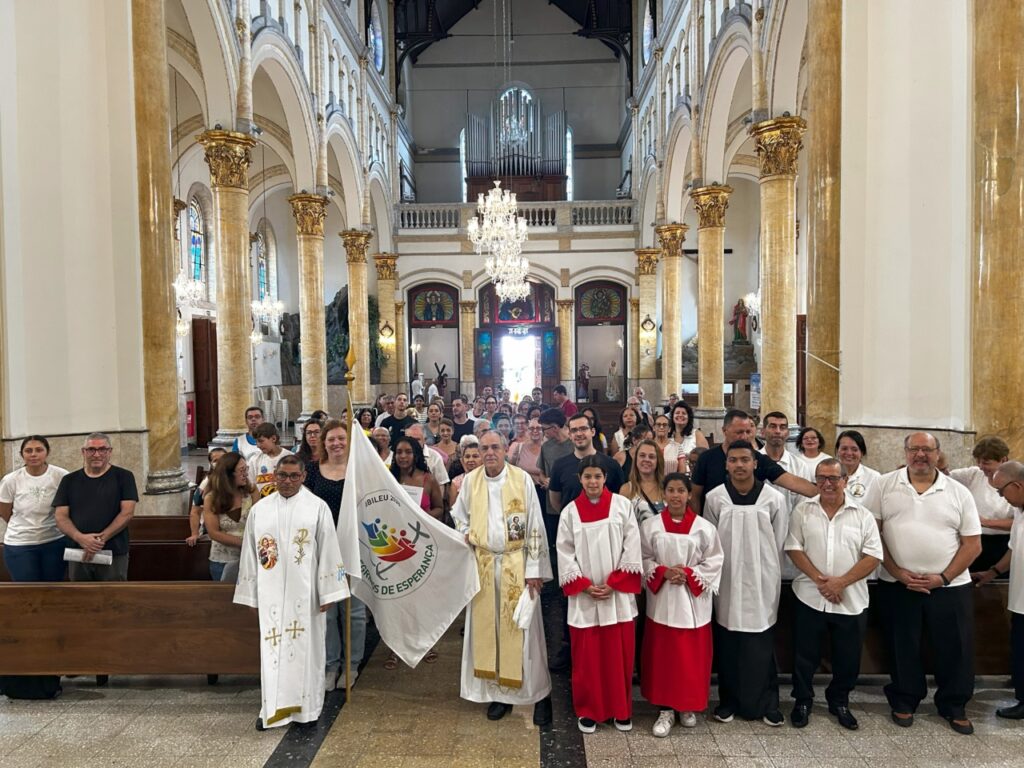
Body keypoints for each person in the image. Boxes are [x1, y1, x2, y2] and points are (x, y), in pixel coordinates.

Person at [863, 432, 981, 735]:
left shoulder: (958, 492)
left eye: (926, 450)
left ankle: (954, 705)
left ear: (937, 454)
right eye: (914, 449)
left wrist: (943, 577)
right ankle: (904, 699)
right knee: (903, 646)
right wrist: (898, 571)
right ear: (904, 452)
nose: (920, 455)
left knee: (955, 647)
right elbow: (872, 534)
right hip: (898, 584)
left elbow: (972, 545)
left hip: (950, 587)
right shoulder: (884, 485)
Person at [234, 455, 348, 730]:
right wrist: (251, 594)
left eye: (293, 476)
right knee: (271, 651)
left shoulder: (316, 508)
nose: (287, 481)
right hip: (271, 593)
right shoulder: (261, 510)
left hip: (306, 595)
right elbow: (250, 553)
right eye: (282, 475)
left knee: (307, 651)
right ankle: (271, 708)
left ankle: (307, 710)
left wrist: (329, 591)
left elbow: (329, 550)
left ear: (304, 476)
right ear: (274, 475)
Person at [451, 431, 553, 726]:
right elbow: (460, 516)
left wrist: (534, 570)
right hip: (483, 564)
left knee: (523, 631)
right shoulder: (471, 481)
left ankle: (536, 692)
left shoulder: (521, 479)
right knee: (489, 629)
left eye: (495, 447)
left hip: (516, 565)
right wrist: (466, 533)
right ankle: (497, 694)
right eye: (484, 448)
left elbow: (535, 526)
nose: (490, 453)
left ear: (506, 449)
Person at [785, 459, 883, 730]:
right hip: (810, 595)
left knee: (848, 656)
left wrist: (841, 583)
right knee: (805, 655)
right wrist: (823, 582)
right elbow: (794, 548)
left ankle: (839, 700)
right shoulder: (803, 510)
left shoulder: (862, 515)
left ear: (845, 481)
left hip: (850, 599)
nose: (827, 484)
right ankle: (802, 700)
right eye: (821, 478)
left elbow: (874, 555)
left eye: (833, 478)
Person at [703, 440, 788, 726]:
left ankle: (767, 703)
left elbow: (779, 540)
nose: (739, 465)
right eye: (733, 460)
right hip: (726, 577)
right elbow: (709, 541)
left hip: (762, 576)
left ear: (755, 463)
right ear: (726, 464)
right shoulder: (715, 498)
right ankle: (729, 701)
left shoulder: (773, 499)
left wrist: (761, 566)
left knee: (760, 641)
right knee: (729, 641)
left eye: (745, 460)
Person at [557, 455, 642, 733]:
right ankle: (589, 710)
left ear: (605, 477)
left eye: (597, 476)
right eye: (587, 477)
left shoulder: (622, 506)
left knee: (619, 657)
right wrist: (582, 584)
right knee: (587, 659)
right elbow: (564, 551)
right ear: (579, 479)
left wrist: (615, 582)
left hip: (616, 596)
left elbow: (632, 545)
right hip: (585, 597)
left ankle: (621, 709)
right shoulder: (570, 512)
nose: (592, 482)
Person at [640, 473, 723, 736]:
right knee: (664, 658)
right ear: (663, 494)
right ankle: (665, 709)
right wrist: (662, 571)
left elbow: (715, 561)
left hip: (692, 604)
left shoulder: (704, 528)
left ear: (689, 495)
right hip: (663, 601)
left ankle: (686, 706)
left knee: (689, 660)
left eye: (681, 491)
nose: (676, 496)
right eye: (671, 490)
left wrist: (688, 574)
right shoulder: (651, 526)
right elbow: (641, 557)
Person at [303, 420, 365, 691]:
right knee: (327, 610)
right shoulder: (313, 471)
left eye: (342, 438)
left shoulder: (359, 470)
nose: (337, 443)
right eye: (331, 439)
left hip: (354, 546)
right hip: (323, 549)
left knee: (354, 611)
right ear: (322, 443)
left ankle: (352, 664)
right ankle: (331, 663)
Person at [971, 460, 1024, 719]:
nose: (1001, 496)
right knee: (1020, 649)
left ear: (1017, 485)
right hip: (1020, 600)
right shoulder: (1020, 513)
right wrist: (992, 571)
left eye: (1002, 491)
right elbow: (1013, 549)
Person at [690, 409, 817, 515]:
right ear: (724, 431)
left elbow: (790, 481)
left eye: (748, 432)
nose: (745, 437)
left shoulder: (758, 458)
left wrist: (826, 494)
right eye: (739, 432)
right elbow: (695, 495)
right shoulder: (707, 458)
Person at [54, 432, 138, 583]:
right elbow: (61, 516)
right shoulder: (69, 480)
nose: (97, 454)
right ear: (83, 452)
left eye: (102, 449)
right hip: (78, 551)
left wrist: (98, 540)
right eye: (91, 449)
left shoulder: (124, 477)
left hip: (113, 550)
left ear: (110, 452)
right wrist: (81, 539)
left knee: (113, 599)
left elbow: (127, 513)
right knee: (81, 599)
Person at [0, 436, 69, 582]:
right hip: (20, 544)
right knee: (27, 593)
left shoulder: (61, 476)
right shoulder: (11, 480)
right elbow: (5, 512)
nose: (33, 454)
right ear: (22, 454)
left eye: (39, 450)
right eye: (28, 451)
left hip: (54, 541)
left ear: (47, 452)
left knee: (53, 590)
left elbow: (68, 507)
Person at [759, 412, 814, 579]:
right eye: (773, 426)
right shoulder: (753, 462)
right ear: (763, 431)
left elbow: (803, 506)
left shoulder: (799, 466)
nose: (778, 431)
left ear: (787, 433)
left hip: (790, 536)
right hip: (759, 536)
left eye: (782, 427)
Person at [950, 436, 1015, 570]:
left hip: (1004, 544)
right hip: (975, 541)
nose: (981, 466)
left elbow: (1019, 522)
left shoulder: (1017, 483)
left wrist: (985, 522)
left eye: (986, 462)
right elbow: (944, 476)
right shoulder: (973, 474)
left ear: (1003, 460)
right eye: (978, 461)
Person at [203, 452, 257, 582]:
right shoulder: (211, 498)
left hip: (249, 559)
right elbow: (214, 532)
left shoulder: (252, 492)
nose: (246, 474)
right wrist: (244, 543)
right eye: (241, 470)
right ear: (228, 474)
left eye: (246, 469)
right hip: (222, 559)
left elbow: (258, 522)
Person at [390, 436, 443, 521]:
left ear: (416, 455)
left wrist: (423, 516)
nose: (403, 456)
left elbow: (439, 509)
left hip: (420, 530)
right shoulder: (389, 478)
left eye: (408, 452)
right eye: (399, 452)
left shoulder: (429, 479)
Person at [620, 439, 666, 526]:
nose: (646, 459)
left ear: (658, 461)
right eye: (642, 455)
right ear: (636, 459)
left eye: (651, 457)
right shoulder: (626, 489)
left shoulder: (667, 487)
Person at [187, 447, 226, 547]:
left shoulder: (237, 478)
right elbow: (195, 511)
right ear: (211, 464)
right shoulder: (206, 483)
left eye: (222, 459)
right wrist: (194, 534)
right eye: (215, 461)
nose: (219, 463)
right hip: (210, 530)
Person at [509, 417, 546, 511]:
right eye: (531, 428)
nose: (535, 431)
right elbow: (511, 469)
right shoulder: (520, 447)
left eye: (538, 428)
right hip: (522, 492)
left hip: (543, 494)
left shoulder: (548, 448)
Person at [835, 430, 880, 505]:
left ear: (862, 453)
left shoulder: (874, 478)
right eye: (844, 448)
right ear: (837, 451)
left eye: (854, 449)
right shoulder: (828, 474)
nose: (849, 453)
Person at [248, 423, 293, 498]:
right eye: (256, 442)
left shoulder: (290, 457)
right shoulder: (254, 460)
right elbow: (251, 486)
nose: (258, 445)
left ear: (273, 439)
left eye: (261, 441)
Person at [405, 423, 450, 493]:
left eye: (417, 440)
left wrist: (438, 503)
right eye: (410, 439)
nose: (413, 443)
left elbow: (441, 484)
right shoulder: (399, 456)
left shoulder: (435, 457)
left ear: (425, 440)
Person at [668, 401, 709, 471]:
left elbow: (706, 458)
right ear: (672, 417)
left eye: (684, 413)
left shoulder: (696, 434)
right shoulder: (667, 435)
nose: (680, 415)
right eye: (677, 413)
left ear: (688, 417)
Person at [448, 441, 483, 507]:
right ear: (462, 460)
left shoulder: (490, 478)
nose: (470, 460)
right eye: (467, 457)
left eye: (475, 456)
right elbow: (453, 509)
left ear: (483, 458)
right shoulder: (456, 482)